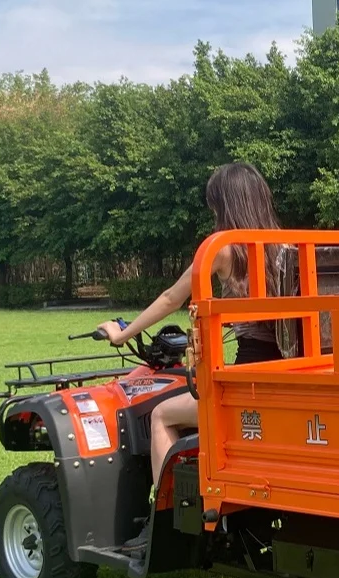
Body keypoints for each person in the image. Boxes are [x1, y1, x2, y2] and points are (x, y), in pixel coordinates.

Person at [95, 161, 284, 555]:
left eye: (215, 206)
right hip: (285, 375)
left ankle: (166, 524)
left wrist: (121, 334)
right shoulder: (283, 246)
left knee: (163, 415)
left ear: (225, 206)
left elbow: (171, 297)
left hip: (247, 384)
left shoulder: (223, 250)